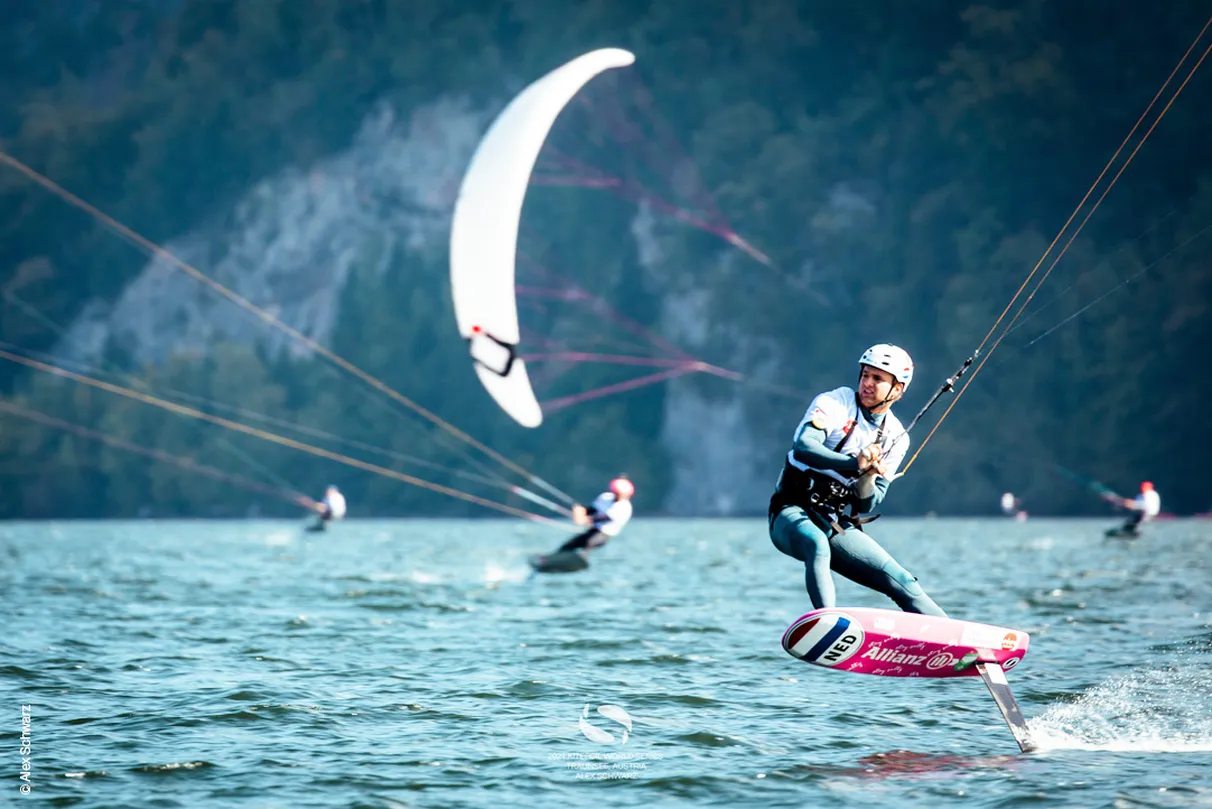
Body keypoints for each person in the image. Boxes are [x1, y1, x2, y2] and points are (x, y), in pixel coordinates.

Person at [768, 344, 946, 616]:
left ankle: (961, 647)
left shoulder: (897, 437)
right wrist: (854, 464)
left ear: (897, 390)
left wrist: (868, 477)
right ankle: (827, 625)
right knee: (816, 544)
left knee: (903, 581)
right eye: (865, 375)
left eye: (878, 379)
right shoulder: (835, 402)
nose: (867, 384)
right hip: (790, 511)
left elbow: (867, 505)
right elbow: (804, 445)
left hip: (835, 522)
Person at [530, 477, 635, 573]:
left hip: (605, 534)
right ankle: (550, 560)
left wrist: (587, 519)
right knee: (569, 544)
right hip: (593, 530)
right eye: (617, 493)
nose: (618, 496)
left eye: (621, 494)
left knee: (590, 542)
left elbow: (607, 518)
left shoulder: (625, 507)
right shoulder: (605, 497)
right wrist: (581, 511)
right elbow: (592, 510)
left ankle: (581, 558)